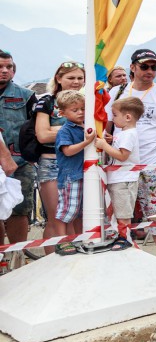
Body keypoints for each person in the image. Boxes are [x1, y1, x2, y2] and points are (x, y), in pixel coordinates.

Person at [106, 48, 156, 262]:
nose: (150, 71)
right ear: (132, 67)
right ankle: (122, 263)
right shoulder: (117, 92)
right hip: (121, 165)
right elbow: (107, 125)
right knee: (119, 216)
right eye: (144, 66)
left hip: (152, 164)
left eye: (154, 67)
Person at [34, 61, 85, 252]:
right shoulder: (47, 101)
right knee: (57, 217)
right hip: (52, 162)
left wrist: (57, 130)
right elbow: (42, 135)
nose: (76, 82)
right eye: (71, 77)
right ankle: (51, 263)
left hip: (79, 163)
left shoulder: (86, 101)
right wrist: (72, 131)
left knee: (76, 216)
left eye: (80, 78)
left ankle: (75, 258)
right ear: (59, 78)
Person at [0, 50, 36, 245]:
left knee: (19, 209)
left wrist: (31, 155)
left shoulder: (27, 96)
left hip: (20, 163)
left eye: (9, 67)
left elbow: (38, 126)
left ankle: (17, 256)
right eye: (0, 67)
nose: (5, 70)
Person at [95, 97, 143, 238]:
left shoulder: (129, 134)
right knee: (118, 214)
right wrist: (110, 142)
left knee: (123, 215)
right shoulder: (123, 134)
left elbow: (123, 156)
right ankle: (121, 237)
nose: (113, 119)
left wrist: (104, 145)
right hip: (118, 179)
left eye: (115, 115)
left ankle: (125, 239)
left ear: (127, 117)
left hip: (123, 180)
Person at [54, 90, 96, 240]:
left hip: (84, 174)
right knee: (67, 211)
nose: (80, 112)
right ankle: (62, 241)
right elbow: (68, 151)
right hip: (71, 176)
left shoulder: (87, 126)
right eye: (75, 110)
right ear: (62, 113)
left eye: (83, 109)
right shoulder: (65, 130)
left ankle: (81, 239)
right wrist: (87, 142)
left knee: (81, 212)